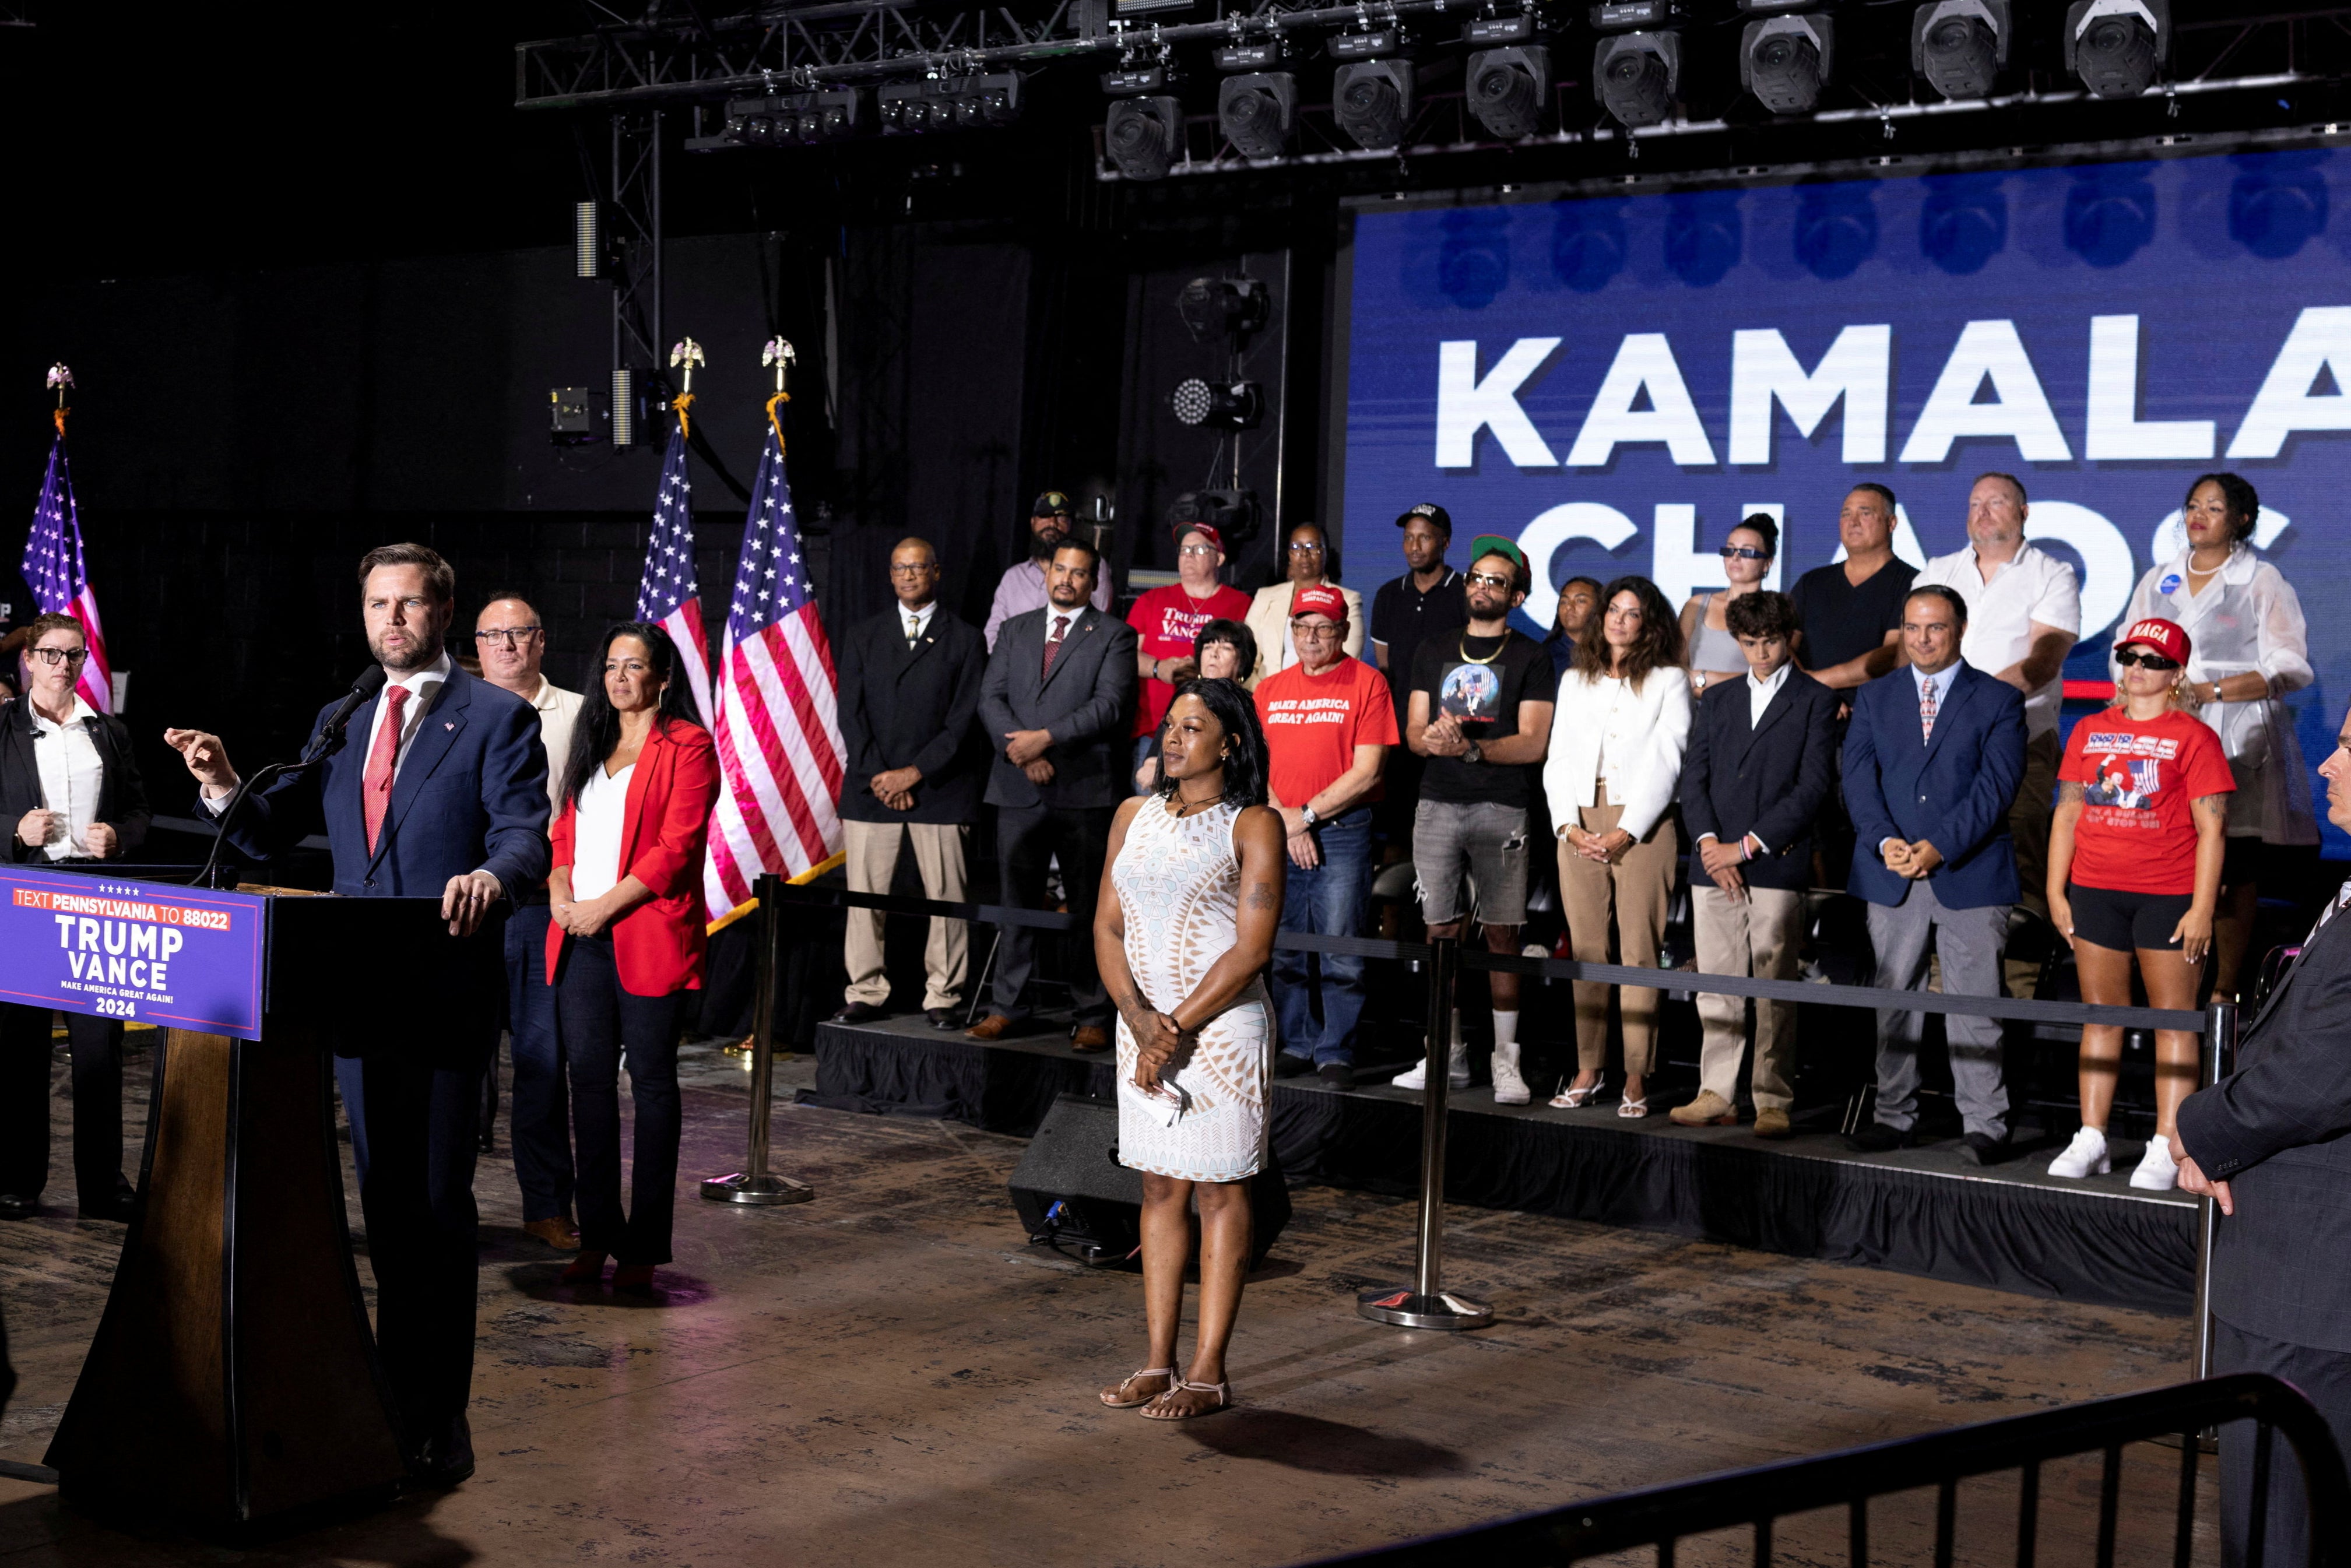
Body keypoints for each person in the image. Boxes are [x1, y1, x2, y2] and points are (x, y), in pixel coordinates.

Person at [166, 542, 549, 1487]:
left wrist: (489, 877)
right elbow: (268, 825)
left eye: (409, 605)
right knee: (383, 1210)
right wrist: (221, 778)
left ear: (443, 612)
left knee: (434, 1207)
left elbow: (524, 835)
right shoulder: (343, 715)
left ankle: (438, 1419)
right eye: (378, 604)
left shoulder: (494, 718)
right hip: (358, 999)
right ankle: (385, 1396)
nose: (392, 621)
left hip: (444, 994)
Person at [2171, 698, 2351, 1568]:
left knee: (2285, 1527)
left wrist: (2196, 1126)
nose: (2325, 765)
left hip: (2314, 1292)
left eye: (2348, 747)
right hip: (2296, 1275)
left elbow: (2321, 1075)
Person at [1094, 677, 1284, 1422]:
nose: (1173, 738)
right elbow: (1107, 928)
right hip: (1139, 1030)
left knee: (1219, 1189)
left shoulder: (1254, 822)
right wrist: (1140, 1021)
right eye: (1170, 725)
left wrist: (1169, 1027)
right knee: (1159, 1189)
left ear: (1229, 742)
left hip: (1221, 1034)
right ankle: (1155, 1360)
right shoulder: (1132, 814)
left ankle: (1207, 1370)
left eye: (1193, 727)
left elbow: (1251, 948)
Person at [545, 623, 720, 1294]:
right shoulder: (591, 740)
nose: (620, 678)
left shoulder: (688, 746)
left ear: (663, 677)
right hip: (578, 937)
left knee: (650, 1087)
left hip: (644, 933)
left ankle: (642, 1247)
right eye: (611, 665)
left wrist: (602, 906)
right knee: (586, 1087)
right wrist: (562, 888)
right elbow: (564, 829)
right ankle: (598, 1236)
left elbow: (675, 849)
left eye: (634, 666)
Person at [1842, 585, 2026, 1162]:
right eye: (1914, 627)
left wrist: (1938, 848)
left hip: (1968, 873)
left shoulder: (1997, 698)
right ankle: (1893, 1116)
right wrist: (1886, 841)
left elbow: (1996, 787)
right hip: (1889, 870)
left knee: (1975, 1004)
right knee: (1895, 998)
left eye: (1936, 628)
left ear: (1959, 629)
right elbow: (1856, 778)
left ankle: (1985, 1124)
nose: (1923, 639)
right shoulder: (1874, 697)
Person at [2045, 618, 2230, 1192]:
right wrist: (2055, 889)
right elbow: (2068, 813)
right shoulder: (2089, 730)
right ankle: (2092, 1134)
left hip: (2167, 893)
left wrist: (2202, 908)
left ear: (2176, 674)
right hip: (2095, 889)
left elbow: (2212, 830)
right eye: (2129, 656)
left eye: (2152, 660)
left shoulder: (2195, 737)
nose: (2136, 667)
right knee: (2100, 1014)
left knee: (2172, 1022)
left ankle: (2165, 1142)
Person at [2120, 472, 2317, 1002]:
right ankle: (2171, 987)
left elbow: (2291, 665)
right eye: (2190, 506)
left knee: (2230, 863)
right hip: (2162, 736)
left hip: (2235, 738)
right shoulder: (2158, 579)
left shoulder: (2261, 579)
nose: (2197, 516)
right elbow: (2127, 648)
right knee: (2167, 854)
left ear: (2242, 520)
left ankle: (2225, 990)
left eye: (2212, 507)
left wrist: (2209, 691)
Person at [0, 611, 152, 1224]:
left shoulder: (108, 732)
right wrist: (12, 830)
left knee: (99, 1049)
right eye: (53, 654)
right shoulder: (3, 727)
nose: (65, 665)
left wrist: (121, 834)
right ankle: (14, 1177)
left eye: (74, 654)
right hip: (25, 899)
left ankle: (102, 1184)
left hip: (94, 902)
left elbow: (141, 810)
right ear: (29, 659)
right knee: (20, 1047)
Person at [1392, 536, 1555, 1104]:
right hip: (1437, 803)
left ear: (1516, 595)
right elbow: (1414, 734)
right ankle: (1447, 1051)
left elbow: (1533, 744)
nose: (1482, 587)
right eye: (1477, 578)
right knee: (1440, 931)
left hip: (1501, 804)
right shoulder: (1433, 648)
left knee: (1503, 932)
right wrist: (1432, 738)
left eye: (1496, 582)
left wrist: (1469, 750)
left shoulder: (1531, 656)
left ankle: (1505, 1060)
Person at [1671, 590, 1837, 1137]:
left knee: (1773, 986)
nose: (1761, 652)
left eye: (1770, 641)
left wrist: (1743, 848)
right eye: (1749, 642)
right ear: (1737, 641)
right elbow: (1692, 779)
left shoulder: (1814, 698)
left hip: (1772, 860)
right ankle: (1716, 1091)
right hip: (1711, 860)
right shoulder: (1716, 701)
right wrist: (1707, 845)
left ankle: (1772, 1097)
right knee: (1717, 984)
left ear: (1787, 638)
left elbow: (1812, 787)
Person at [971, 540, 1137, 1051]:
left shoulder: (1115, 634)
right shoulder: (1016, 630)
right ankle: (1008, 1007)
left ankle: (1091, 1011)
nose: (1066, 579)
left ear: (1093, 582)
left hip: (1084, 791)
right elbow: (989, 699)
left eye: (1079, 573)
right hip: (1017, 788)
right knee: (1015, 906)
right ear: (1047, 575)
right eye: (1059, 569)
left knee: (1088, 910)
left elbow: (1107, 707)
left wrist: (1046, 739)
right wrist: (1025, 752)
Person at [1544, 576, 1691, 1117]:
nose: (1619, 620)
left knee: (1638, 953)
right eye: (1613, 610)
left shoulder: (1669, 680)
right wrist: (1567, 827)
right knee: (1586, 952)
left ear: (1649, 624)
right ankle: (1587, 1067)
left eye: (1632, 614)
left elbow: (1669, 759)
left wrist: (1627, 830)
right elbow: (1557, 758)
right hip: (1579, 819)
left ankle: (1635, 1074)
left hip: (1643, 824)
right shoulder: (1574, 679)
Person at [834, 538, 988, 1029]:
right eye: (899, 568)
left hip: (940, 788)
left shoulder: (965, 639)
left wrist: (914, 773)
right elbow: (850, 715)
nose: (907, 576)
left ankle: (943, 994)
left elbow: (963, 722)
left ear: (936, 572)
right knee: (865, 901)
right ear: (890, 574)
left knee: (946, 901)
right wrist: (883, 775)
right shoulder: (863, 635)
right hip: (870, 786)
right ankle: (866, 991)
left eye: (917, 568)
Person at [1914, 473, 2081, 922]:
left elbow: (2042, 663)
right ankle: (1938, 983)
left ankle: (2021, 988)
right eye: (1974, 504)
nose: (1982, 512)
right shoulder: (1936, 571)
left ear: (2023, 513)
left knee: (2019, 862)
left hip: (2020, 741)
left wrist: (1966, 709)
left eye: (1996, 503)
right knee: (1939, 854)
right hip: (1937, 746)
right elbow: (1911, 654)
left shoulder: (2052, 573)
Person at [473, 592, 584, 1253]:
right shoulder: (447, 709)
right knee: (458, 1064)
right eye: (494, 635)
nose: (508, 645)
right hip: (464, 911)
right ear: (477, 644)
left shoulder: (578, 713)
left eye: (520, 633)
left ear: (541, 641)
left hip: (541, 910)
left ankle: (546, 1206)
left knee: (542, 1063)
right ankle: (442, 1202)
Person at [1254, 586, 1396, 1088]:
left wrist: (1304, 817)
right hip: (1279, 828)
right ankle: (1296, 1041)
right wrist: (1286, 819)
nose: (1310, 637)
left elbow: (1368, 771)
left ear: (1341, 633)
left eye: (1322, 628)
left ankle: (1336, 1049)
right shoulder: (1269, 689)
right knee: (1286, 947)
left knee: (1340, 949)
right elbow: (1255, 765)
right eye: (1301, 627)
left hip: (1340, 830)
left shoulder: (1367, 683)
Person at [1127, 521, 1252, 793]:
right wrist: (1160, 668)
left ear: (1219, 557)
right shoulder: (1150, 600)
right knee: (1151, 821)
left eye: (1198, 548)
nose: (1188, 555)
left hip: (1212, 736)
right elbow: (1125, 656)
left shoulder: (1241, 604)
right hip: (1154, 732)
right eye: (1184, 549)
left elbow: (1250, 661)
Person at [1788, 484, 1916, 695]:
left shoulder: (1913, 583)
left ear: (1891, 523)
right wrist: (1812, 695)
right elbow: (1781, 645)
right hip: (1806, 710)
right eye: (1846, 514)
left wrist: (1818, 685)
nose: (1853, 522)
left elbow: (1895, 653)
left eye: (1865, 513)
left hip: (1869, 713)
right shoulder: (1811, 582)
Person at [1368, 502, 1468, 718]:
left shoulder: (1466, 593)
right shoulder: (1388, 595)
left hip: (1451, 720)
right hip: (1398, 719)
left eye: (1425, 538)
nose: (1414, 547)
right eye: (1408, 538)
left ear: (1446, 543)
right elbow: (1385, 665)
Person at [1135, 620, 1257, 792]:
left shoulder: (1251, 705)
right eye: (1208, 647)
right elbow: (1153, 760)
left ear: (1243, 660)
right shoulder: (1184, 699)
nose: (1214, 654)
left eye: (1226, 648)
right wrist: (1153, 767)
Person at [982, 491, 1112, 652]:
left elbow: (1096, 627)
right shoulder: (1014, 576)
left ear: (1072, 525)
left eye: (1061, 518)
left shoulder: (1091, 566)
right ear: (1033, 522)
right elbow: (993, 634)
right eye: (1045, 516)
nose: (1052, 523)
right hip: (1015, 669)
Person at [1243, 522, 1365, 682]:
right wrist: (1264, 695)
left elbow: (1349, 658)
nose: (1305, 553)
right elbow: (1247, 656)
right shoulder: (1265, 597)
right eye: (1297, 547)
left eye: (1313, 546)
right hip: (1265, 697)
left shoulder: (1348, 599)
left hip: (1322, 696)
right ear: (1289, 555)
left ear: (1326, 553)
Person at [1679, 514, 1779, 697]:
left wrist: (1703, 678)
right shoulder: (1697, 605)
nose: (1735, 558)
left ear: (1767, 563)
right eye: (1730, 550)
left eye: (1747, 552)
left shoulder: (1775, 611)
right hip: (1694, 716)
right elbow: (1677, 674)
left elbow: (1770, 680)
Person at [1543, 575, 1604, 681]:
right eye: (1564, 602)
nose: (1569, 607)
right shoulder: (1543, 657)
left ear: (1600, 607)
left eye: (1580, 601)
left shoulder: (1613, 654)